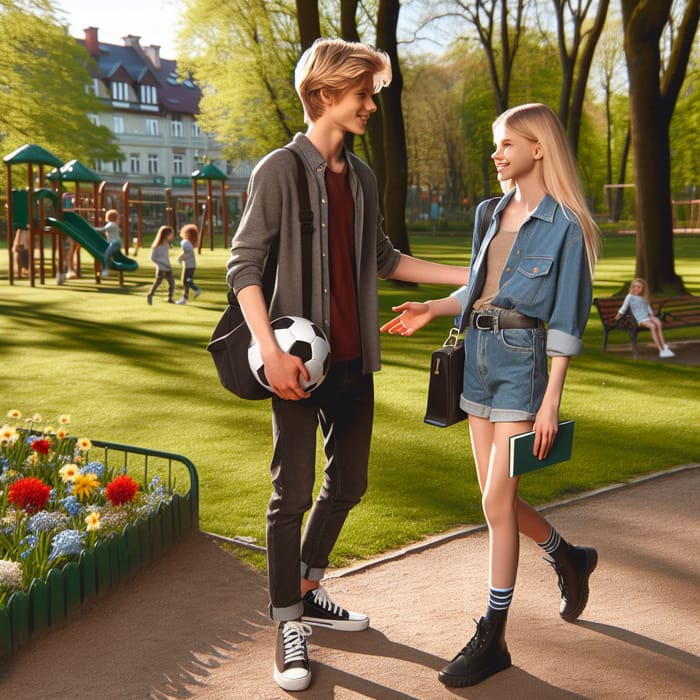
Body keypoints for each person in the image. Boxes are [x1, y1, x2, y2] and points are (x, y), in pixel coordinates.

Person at [226, 37, 467, 692]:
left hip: (355, 364)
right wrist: (270, 352)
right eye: (363, 94)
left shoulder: (360, 177)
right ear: (326, 95)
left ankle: (306, 586)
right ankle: (287, 623)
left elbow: (386, 258)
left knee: (350, 483)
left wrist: (471, 273)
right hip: (297, 367)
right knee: (292, 492)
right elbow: (243, 265)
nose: (371, 106)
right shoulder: (278, 170)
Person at [382, 103, 602, 687]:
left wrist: (552, 398)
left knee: (496, 506)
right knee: (495, 502)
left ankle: (494, 635)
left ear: (538, 149)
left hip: (524, 368)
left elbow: (565, 322)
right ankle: (568, 555)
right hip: (476, 363)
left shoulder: (568, 227)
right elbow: (478, 288)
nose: (496, 153)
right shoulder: (489, 211)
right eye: (496, 144)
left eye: (507, 143)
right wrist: (434, 306)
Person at [615, 278, 675, 358]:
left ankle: (663, 345)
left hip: (647, 316)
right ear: (631, 287)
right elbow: (623, 308)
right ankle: (661, 350)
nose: (636, 289)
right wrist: (617, 318)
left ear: (643, 289)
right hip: (640, 319)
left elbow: (647, 306)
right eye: (634, 287)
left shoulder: (643, 297)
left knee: (658, 323)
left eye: (639, 287)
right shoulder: (629, 297)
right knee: (653, 326)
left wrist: (651, 314)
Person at [147, 226, 176, 305]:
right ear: (166, 234)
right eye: (171, 234)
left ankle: (170, 298)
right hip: (161, 269)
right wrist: (163, 263)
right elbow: (153, 258)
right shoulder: (157, 245)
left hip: (168, 268)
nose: (172, 236)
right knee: (157, 283)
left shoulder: (166, 244)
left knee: (172, 283)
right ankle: (150, 295)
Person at [176, 224, 201, 304]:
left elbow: (186, 254)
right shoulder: (188, 243)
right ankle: (185, 298)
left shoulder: (185, 242)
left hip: (188, 266)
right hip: (190, 265)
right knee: (185, 281)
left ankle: (196, 289)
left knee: (187, 281)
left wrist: (180, 258)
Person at [99, 209, 122, 279]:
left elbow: (102, 230)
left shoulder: (111, 224)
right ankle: (110, 269)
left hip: (114, 243)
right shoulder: (113, 224)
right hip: (116, 243)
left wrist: (92, 228)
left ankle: (106, 270)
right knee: (112, 256)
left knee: (106, 255)